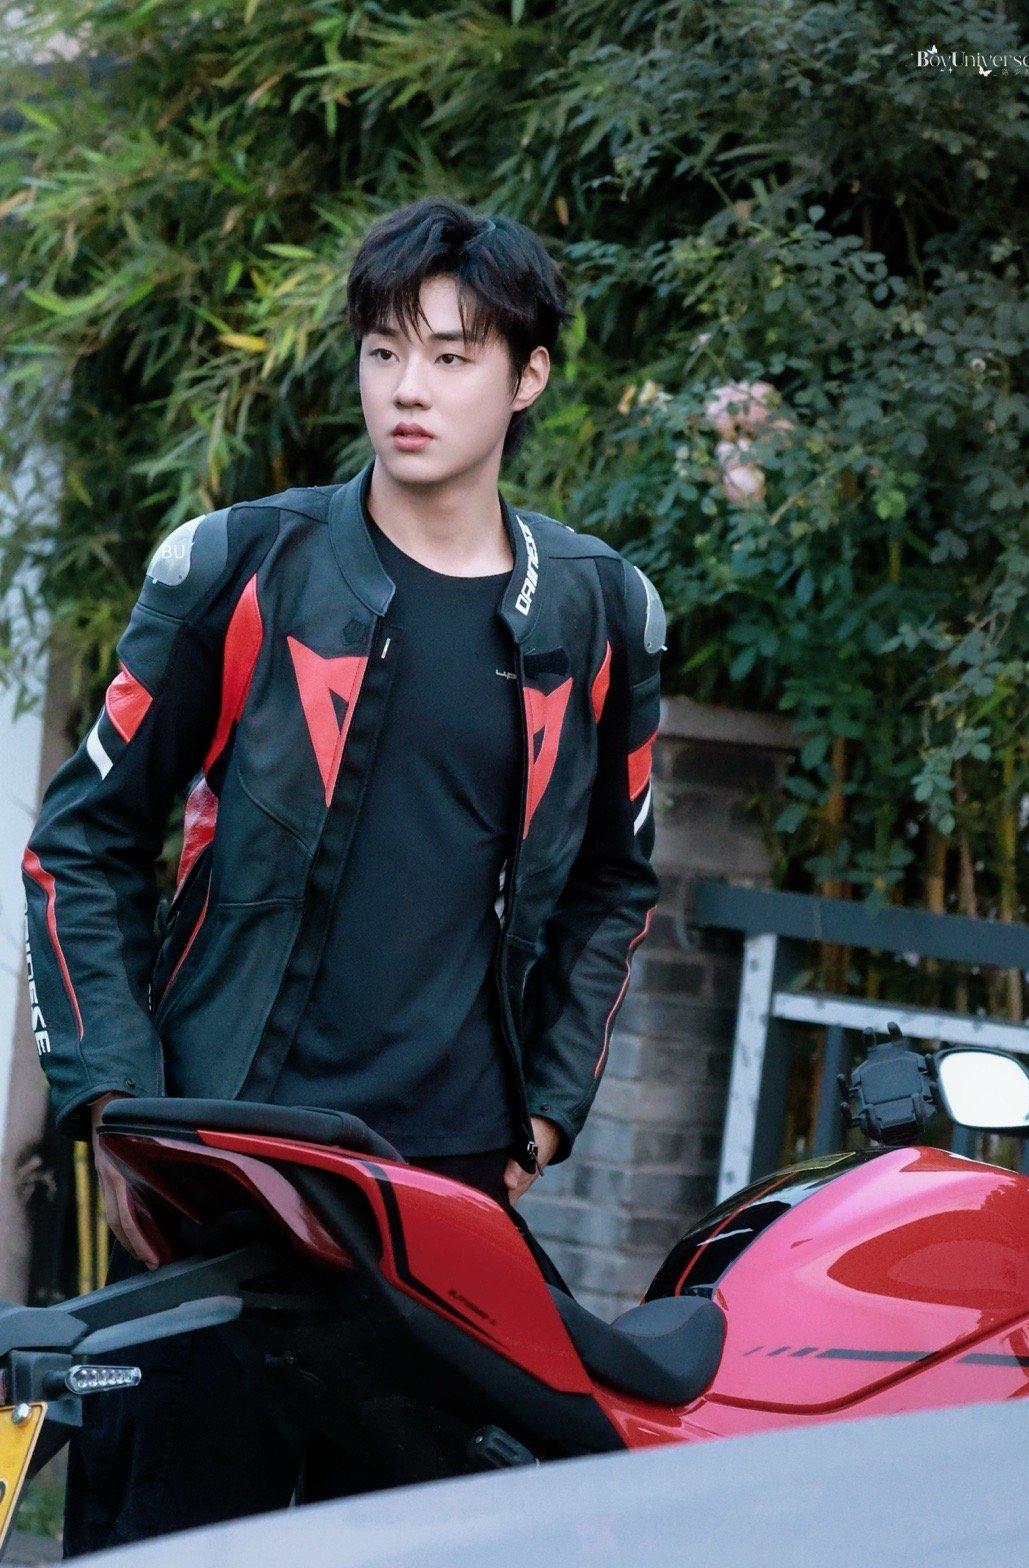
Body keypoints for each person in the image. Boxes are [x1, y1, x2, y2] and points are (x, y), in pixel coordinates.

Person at [20, 195, 666, 1552]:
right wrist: (122, 1105)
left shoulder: (599, 610)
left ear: (528, 378)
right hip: (227, 1174)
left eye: (451, 356)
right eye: (383, 352)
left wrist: (548, 1113)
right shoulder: (244, 566)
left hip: (448, 1202)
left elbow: (617, 883)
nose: (406, 390)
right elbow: (78, 840)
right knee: (166, 1540)